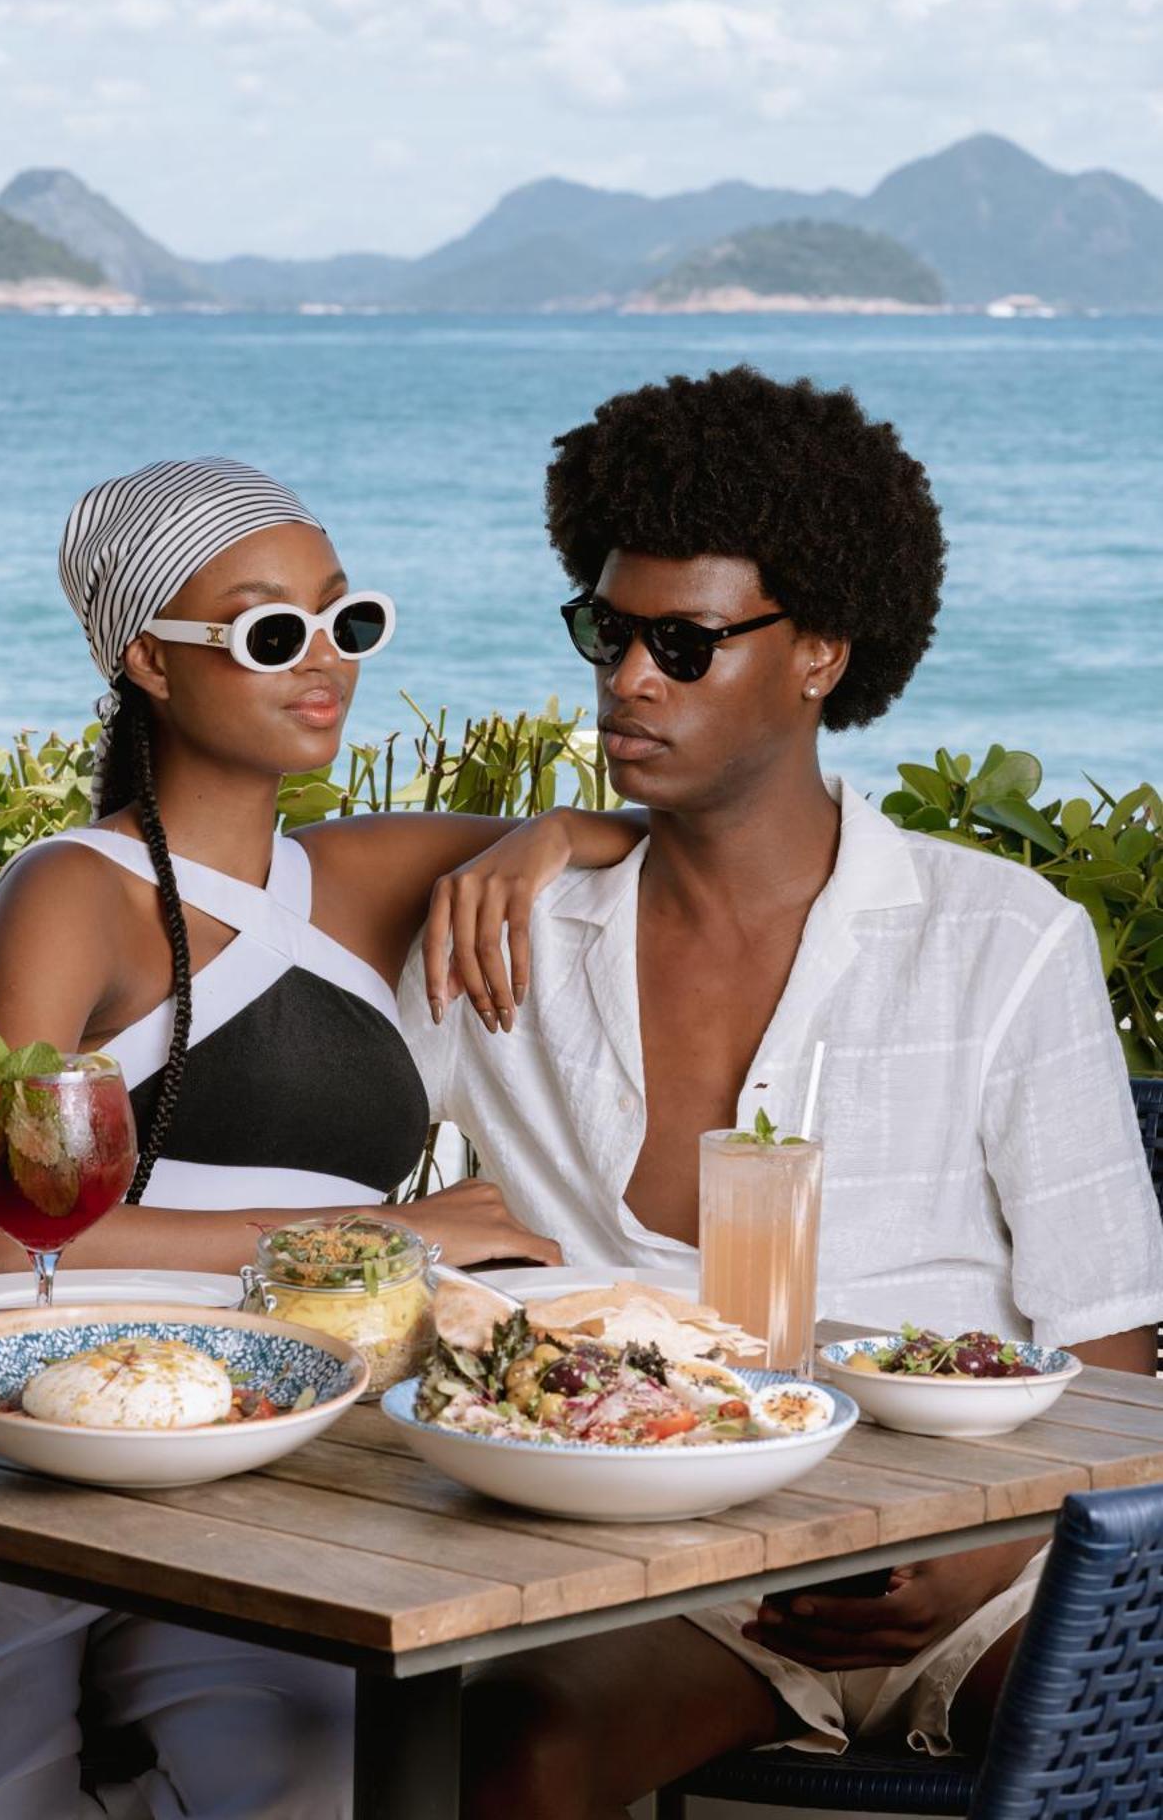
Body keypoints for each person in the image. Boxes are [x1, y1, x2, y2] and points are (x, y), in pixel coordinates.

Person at [391, 366, 1163, 1818]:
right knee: (510, 1763)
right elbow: (227, 914)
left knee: (1117, 1744)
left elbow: (1108, 1369)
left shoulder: (994, 938)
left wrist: (986, 1557)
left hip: (987, 1553)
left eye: (681, 644)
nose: (628, 678)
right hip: (669, 1575)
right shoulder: (511, 936)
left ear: (817, 652)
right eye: (605, 631)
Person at [0, 454, 643, 1820]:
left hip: (290, 1444)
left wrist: (550, 831)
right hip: (64, 1426)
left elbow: (672, 843)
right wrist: (387, 1231)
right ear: (149, 658)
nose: (325, 663)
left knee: (320, 1784)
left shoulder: (368, 876)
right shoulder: (72, 889)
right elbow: (2, 1237)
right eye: (272, 633)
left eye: (349, 620)